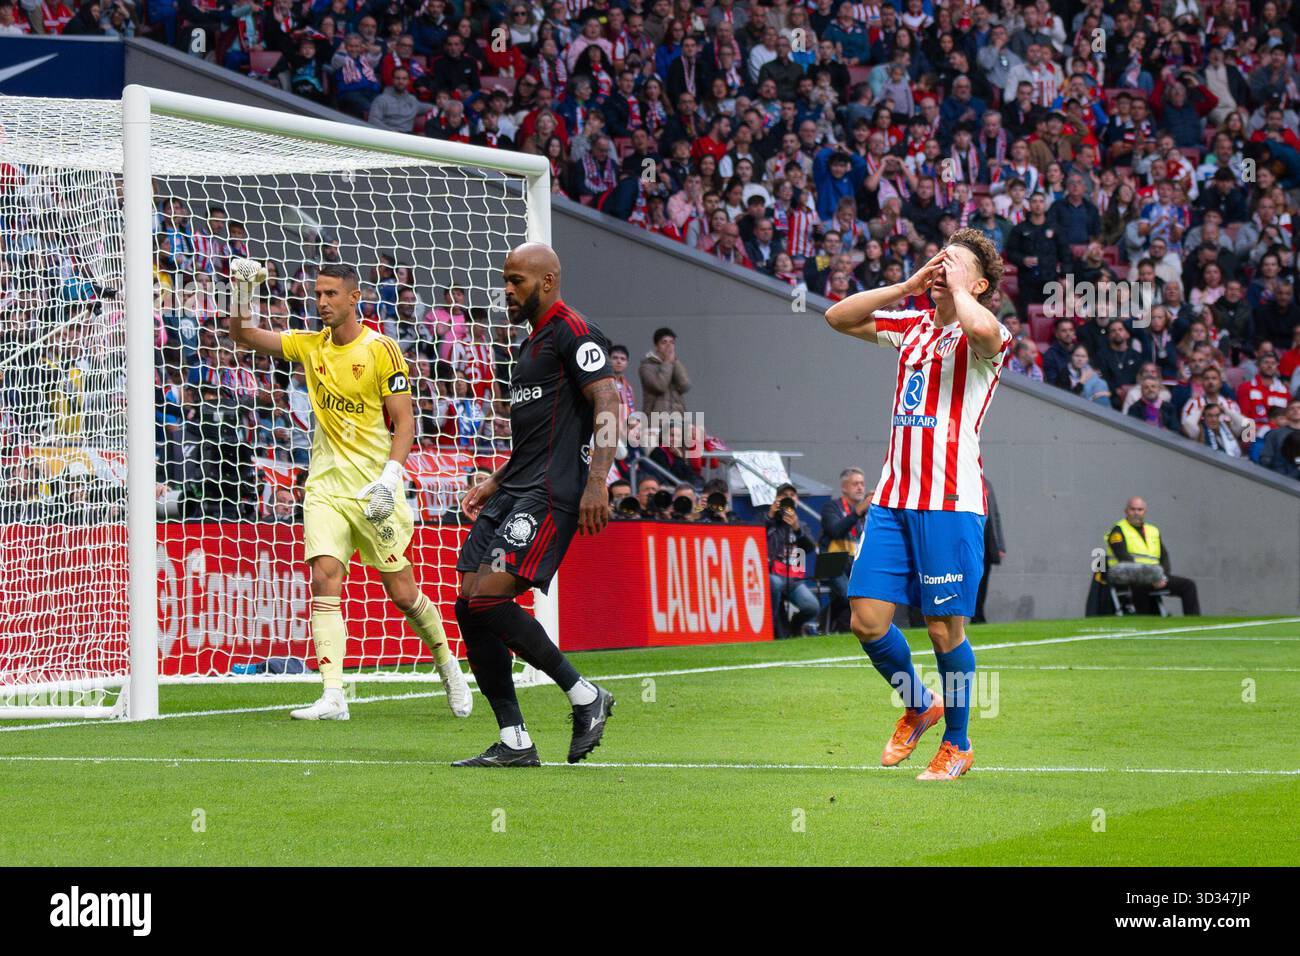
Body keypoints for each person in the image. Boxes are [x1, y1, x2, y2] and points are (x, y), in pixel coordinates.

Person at [224, 259, 471, 721]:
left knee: (402, 593)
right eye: (317, 294)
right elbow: (243, 335)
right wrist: (242, 292)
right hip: (325, 488)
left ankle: (448, 665)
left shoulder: (381, 349)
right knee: (324, 577)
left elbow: (405, 420)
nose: (321, 303)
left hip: (375, 489)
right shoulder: (310, 346)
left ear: (354, 298)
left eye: (331, 294)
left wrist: (391, 477)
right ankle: (333, 694)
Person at [823, 228, 1012, 782]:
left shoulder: (987, 333)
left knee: (942, 629)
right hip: (893, 497)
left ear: (975, 282)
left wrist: (962, 291)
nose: (939, 269)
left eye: (951, 264)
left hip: (950, 503)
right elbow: (837, 316)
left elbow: (980, 327)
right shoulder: (912, 327)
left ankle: (958, 743)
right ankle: (919, 703)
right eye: (937, 260)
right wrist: (905, 285)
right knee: (865, 619)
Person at [453, 242, 618, 767]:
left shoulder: (573, 330)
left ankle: (585, 695)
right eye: (505, 279)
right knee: (467, 603)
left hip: (548, 496)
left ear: (547, 281)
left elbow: (608, 401)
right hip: (513, 492)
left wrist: (597, 482)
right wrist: (494, 481)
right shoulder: (530, 346)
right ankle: (515, 740)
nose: (507, 290)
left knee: (488, 600)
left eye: (517, 280)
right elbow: (534, 437)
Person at [1102, 497, 1201, 616]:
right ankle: (1143, 621)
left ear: (1145, 512)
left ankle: (1193, 622)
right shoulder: (1117, 531)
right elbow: (1124, 558)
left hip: (1155, 578)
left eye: (1140, 509)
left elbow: (1164, 556)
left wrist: (1162, 576)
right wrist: (1151, 577)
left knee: (1188, 586)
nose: (1136, 513)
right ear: (1126, 511)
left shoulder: (1153, 531)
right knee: (1140, 586)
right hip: (1130, 578)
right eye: (1133, 509)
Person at [818, 466, 869, 633]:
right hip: (832, 564)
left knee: (866, 594)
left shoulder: (868, 513)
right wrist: (857, 513)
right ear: (844, 488)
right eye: (855, 484)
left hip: (855, 564)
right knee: (851, 595)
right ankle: (828, 623)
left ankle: (837, 625)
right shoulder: (831, 508)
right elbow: (835, 530)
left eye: (862, 483)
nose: (860, 487)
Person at [767, 483, 820, 638]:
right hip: (771, 574)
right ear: (777, 500)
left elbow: (810, 548)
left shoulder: (801, 524)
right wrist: (770, 515)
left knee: (812, 606)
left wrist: (798, 529)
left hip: (794, 579)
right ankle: (773, 632)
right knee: (775, 583)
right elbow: (754, 534)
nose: (789, 498)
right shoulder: (769, 520)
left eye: (792, 495)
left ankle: (793, 629)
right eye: (784, 495)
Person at [971, 476, 1005, 625]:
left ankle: (978, 614)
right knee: (972, 579)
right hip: (973, 539)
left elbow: (995, 515)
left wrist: (1000, 546)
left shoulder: (987, 484)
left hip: (988, 540)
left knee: (983, 580)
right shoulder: (965, 481)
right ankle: (973, 613)